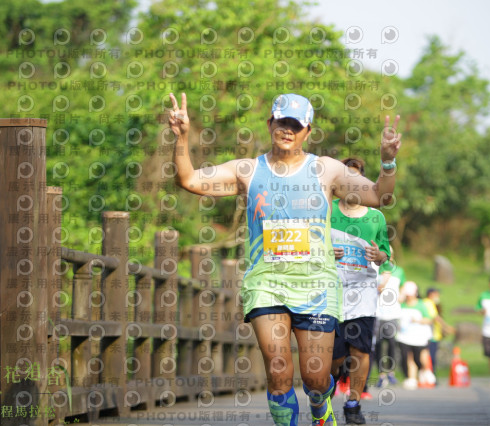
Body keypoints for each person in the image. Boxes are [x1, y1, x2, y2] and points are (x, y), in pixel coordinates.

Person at [167, 92, 402, 426]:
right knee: (278, 372)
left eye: (295, 124)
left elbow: (380, 195)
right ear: (270, 124)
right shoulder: (248, 170)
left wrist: (388, 162)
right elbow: (189, 180)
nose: (287, 129)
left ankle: (320, 404)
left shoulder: (326, 170)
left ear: (308, 131)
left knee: (315, 378)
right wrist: (181, 138)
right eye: (282, 122)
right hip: (267, 283)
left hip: (317, 285)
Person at [329, 157, 392, 424]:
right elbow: (308, 245)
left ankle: (353, 404)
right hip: (329, 293)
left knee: (360, 351)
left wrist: (379, 256)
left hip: (363, 293)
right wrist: (325, 251)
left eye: (355, 179)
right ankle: (324, 395)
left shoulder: (376, 217)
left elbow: (386, 255)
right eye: (345, 178)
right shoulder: (326, 209)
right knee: (334, 357)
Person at [374, 262, 405, 388]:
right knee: (379, 345)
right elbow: (378, 288)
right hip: (378, 314)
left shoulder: (398, 274)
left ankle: (391, 372)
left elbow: (403, 287)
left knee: (392, 343)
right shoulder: (375, 272)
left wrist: (402, 295)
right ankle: (381, 375)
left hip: (393, 314)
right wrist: (383, 281)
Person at [396, 281, 432, 390]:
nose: (408, 297)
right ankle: (412, 378)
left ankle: (425, 372)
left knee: (419, 357)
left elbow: (429, 319)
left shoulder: (421, 305)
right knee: (409, 357)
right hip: (405, 337)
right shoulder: (401, 304)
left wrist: (418, 320)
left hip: (419, 337)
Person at [422, 288, 454, 374]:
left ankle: (430, 375)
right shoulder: (428, 303)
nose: (438, 296)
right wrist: (446, 327)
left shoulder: (430, 303)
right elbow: (436, 318)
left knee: (431, 356)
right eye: (436, 294)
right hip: (430, 335)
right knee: (430, 357)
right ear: (431, 294)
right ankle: (430, 375)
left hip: (434, 334)